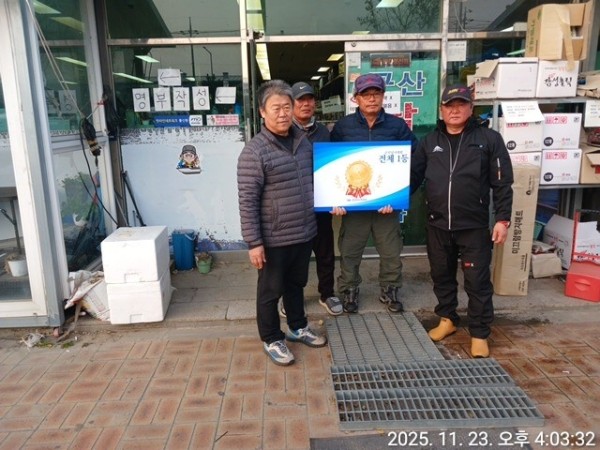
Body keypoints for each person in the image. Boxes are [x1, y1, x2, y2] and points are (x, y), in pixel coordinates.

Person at [410, 84, 513, 358]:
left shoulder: (489, 139)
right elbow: (412, 178)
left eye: (460, 104)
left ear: (470, 107)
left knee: (477, 281)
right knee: (441, 275)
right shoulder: (429, 142)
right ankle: (448, 319)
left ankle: (479, 333)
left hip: (473, 226)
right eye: (449, 105)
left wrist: (502, 219)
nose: (454, 110)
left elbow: (502, 183)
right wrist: (386, 199)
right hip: (438, 224)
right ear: (441, 110)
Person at [237, 80, 327, 366]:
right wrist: (254, 242)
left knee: (296, 284)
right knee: (270, 291)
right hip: (274, 237)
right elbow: (247, 201)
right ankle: (272, 338)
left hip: (304, 231)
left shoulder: (303, 143)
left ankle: (298, 327)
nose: (282, 113)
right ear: (262, 112)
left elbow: (318, 179)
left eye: (287, 107)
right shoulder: (254, 152)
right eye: (275, 108)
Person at [330, 73, 418, 314]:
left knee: (391, 251)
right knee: (350, 251)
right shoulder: (343, 127)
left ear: (383, 96)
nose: (371, 99)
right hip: (354, 204)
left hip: (386, 206)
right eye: (366, 94)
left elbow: (415, 159)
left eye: (376, 93)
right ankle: (349, 289)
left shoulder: (397, 126)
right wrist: (335, 198)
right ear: (356, 98)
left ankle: (390, 289)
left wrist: (400, 195)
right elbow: (330, 164)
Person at [277, 82, 343, 318]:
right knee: (295, 257)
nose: (306, 104)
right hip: (294, 205)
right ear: (291, 104)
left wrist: (337, 196)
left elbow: (335, 166)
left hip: (321, 203)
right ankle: (291, 298)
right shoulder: (283, 132)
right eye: (300, 100)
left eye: (309, 99)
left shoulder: (324, 132)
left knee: (325, 252)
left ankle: (327, 294)